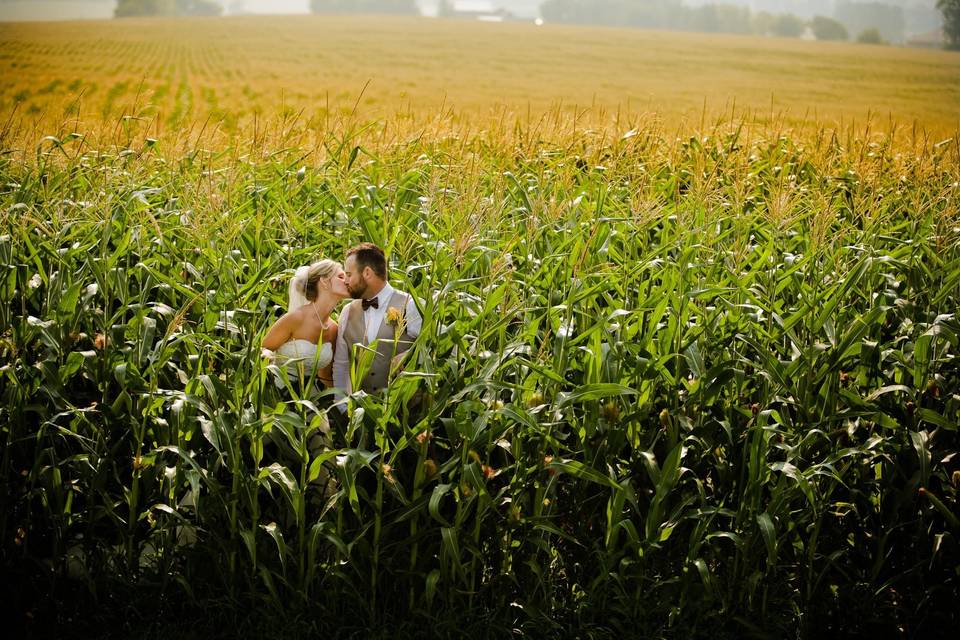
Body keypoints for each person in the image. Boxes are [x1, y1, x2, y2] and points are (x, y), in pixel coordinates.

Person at [332, 243, 422, 409]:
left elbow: (435, 350)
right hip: (361, 417)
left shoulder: (411, 305)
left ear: (367, 273)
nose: (345, 281)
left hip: (406, 414)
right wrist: (342, 408)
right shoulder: (347, 312)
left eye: (349, 274)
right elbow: (341, 364)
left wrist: (411, 358)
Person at [262, 259, 349, 388]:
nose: (347, 281)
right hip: (277, 393)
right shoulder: (295, 318)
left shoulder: (334, 329)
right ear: (324, 281)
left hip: (310, 400)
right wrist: (266, 354)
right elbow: (263, 348)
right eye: (341, 276)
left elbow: (325, 377)